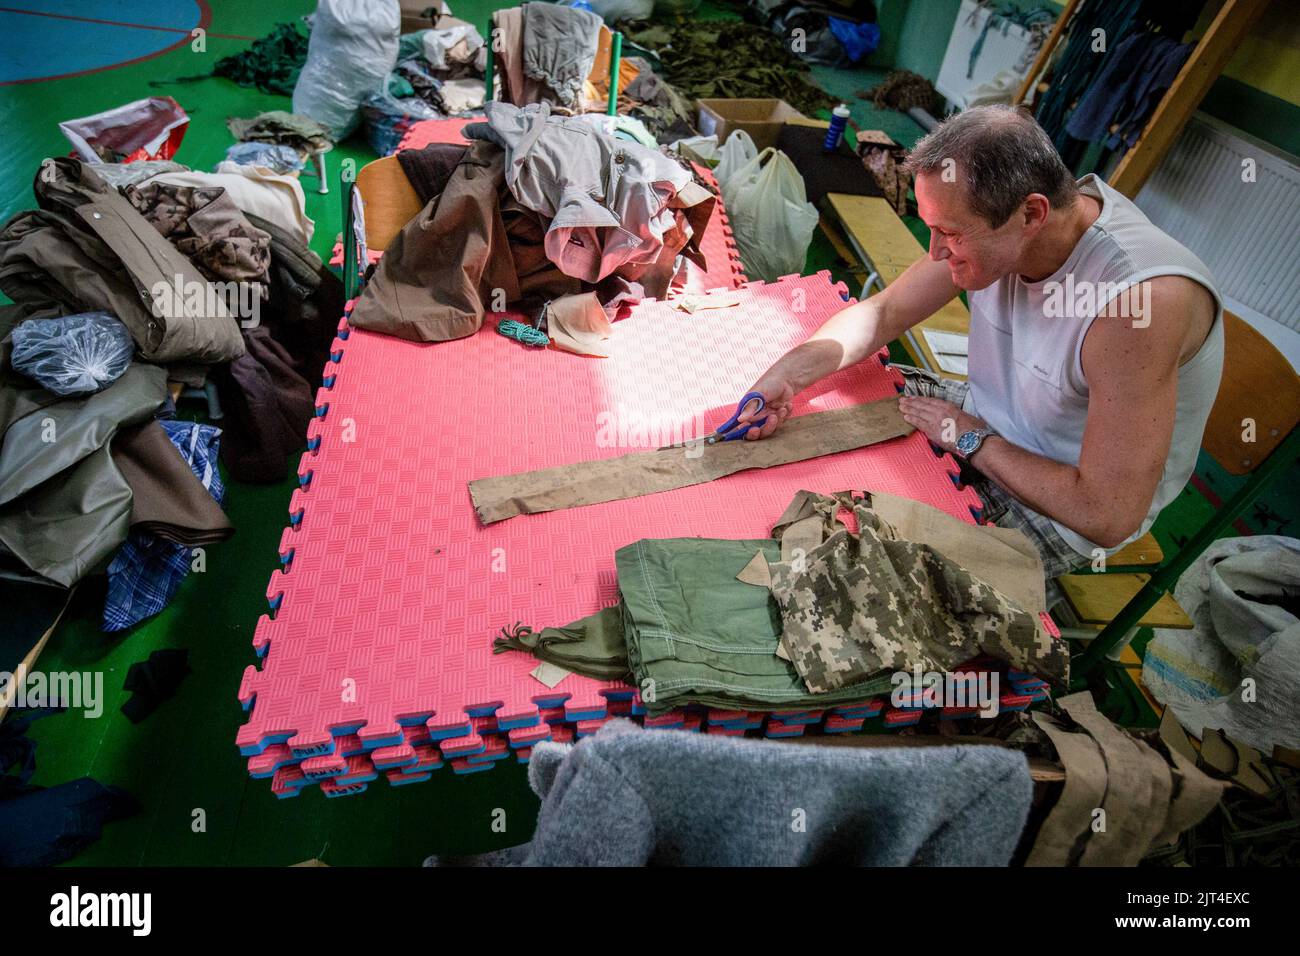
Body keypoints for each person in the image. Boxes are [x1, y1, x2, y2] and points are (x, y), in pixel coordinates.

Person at [734, 105, 1222, 603]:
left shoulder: (1134, 306)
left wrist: (969, 439)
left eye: (949, 233)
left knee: (871, 590)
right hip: (986, 415)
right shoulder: (1006, 223)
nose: (936, 253)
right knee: (839, 397)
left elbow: (1106, 514)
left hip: (1060, 496)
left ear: (1032, 213)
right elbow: (882, 315)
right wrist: (788, 376)